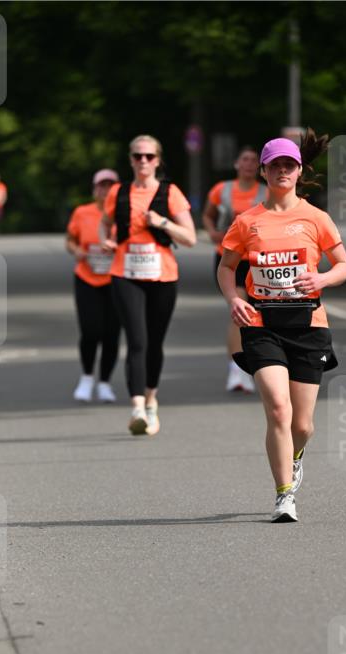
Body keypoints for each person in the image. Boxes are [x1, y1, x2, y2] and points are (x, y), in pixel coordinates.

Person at [218, 133, 346, 523]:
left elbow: (344, 265)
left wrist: (322, 280)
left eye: (288, 165)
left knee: (303, 425)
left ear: (298, 171)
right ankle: (283, 496)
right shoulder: (248, 222)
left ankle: (295, 456)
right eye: (274, 165)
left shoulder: (315, 218)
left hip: (308, 326)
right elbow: (226, 268)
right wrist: (235, 299)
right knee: (278, 408)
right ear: (263, 171)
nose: (282, 171)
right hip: (262, 324)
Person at [99, 134, 196, 435]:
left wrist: (161, 222)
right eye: (138, 156)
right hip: (125, 274)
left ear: (158, 160)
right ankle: (137, 407)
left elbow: (190, 238)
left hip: (162, 276)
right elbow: (105, 221)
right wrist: (108, 239)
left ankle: (151, 402)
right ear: (130, 160)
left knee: (154, 342)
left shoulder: (170, 193)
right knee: (137, 340)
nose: (143, 161)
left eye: (149, 157)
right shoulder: (118, 191)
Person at [203, 146, 266, 394]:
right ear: (237, 164)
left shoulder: (266, 191)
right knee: (240, 310)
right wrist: (211, 231)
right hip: (229, 257)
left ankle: (263, 366)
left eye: (254, 160)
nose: (249, 164)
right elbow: (207, 215)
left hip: (257, 258)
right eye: (245, 159)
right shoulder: (222, 189)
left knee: (260, 316)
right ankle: (236, 370)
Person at [66, 168, 121, 403]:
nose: (105, 190)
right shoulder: (82, 212)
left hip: (117, 278)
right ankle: (87, 377)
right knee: (90, 330)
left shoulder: (125, 213)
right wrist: (77, 251)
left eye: (110, 185)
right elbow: (70, 240)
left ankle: (105, 382)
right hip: (87, 277)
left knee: (112, 333)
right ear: (94, 188)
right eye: (101, 185)